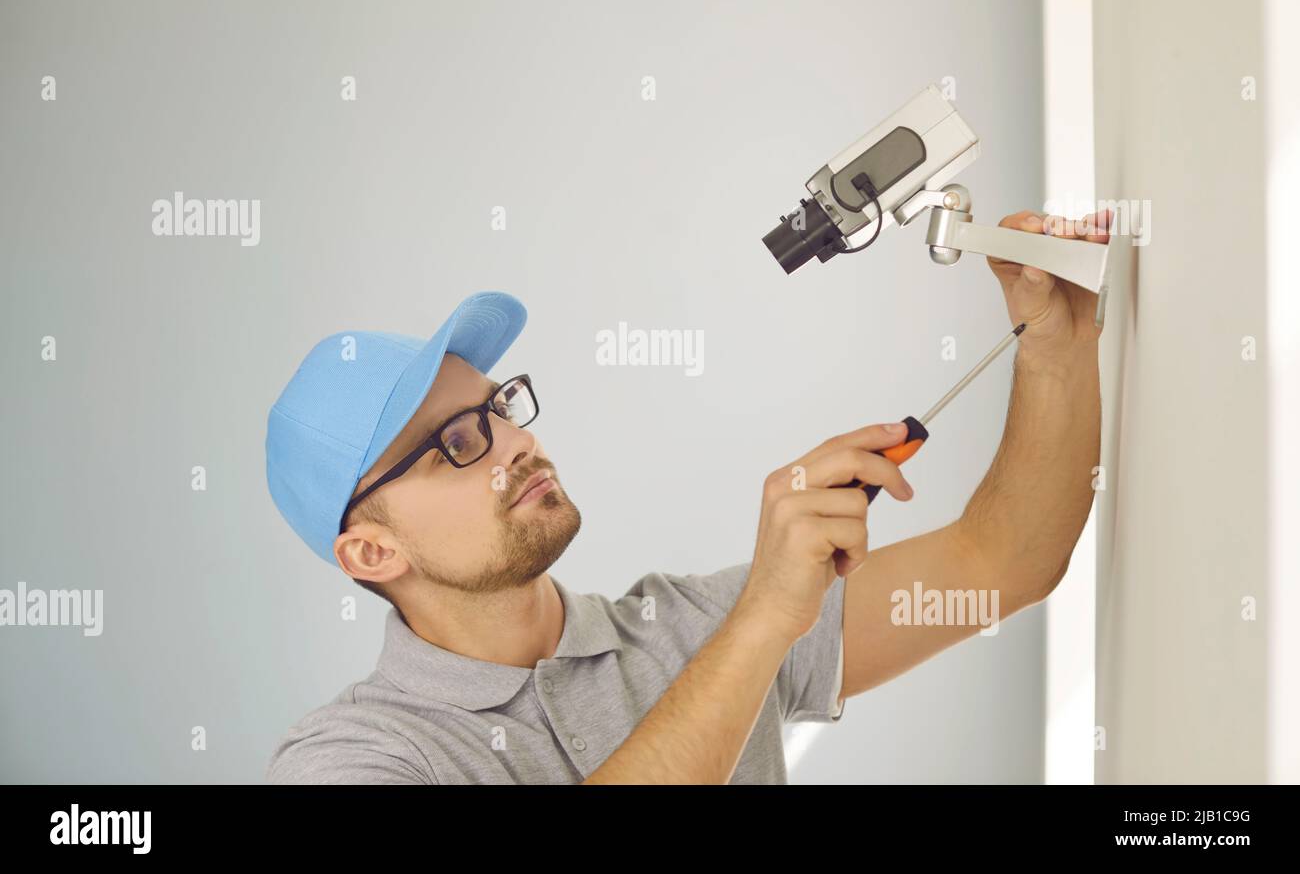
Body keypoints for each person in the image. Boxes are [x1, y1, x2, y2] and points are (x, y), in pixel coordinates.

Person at [264, 208, 1110, 784]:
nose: (517, 444)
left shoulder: (690, 628)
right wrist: (763, 619)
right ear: (372, 551)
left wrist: (1056, 341)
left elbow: (1003, 562)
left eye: (501, 407)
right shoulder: (352, 758)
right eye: (456, 443)